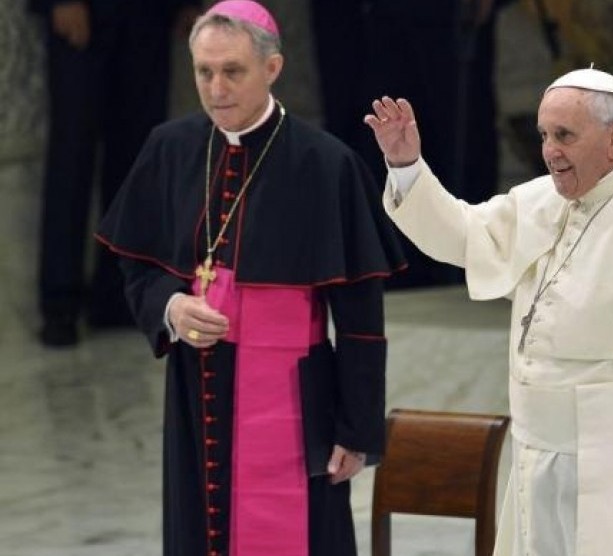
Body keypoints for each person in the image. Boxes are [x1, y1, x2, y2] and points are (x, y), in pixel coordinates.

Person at [365, 68, 613, 556]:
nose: (549, 150)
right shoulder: (540, 199)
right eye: (545, 135)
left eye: (564, 135)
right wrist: (406, 165)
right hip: (536, 453)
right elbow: (463, 234)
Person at [95, 2, 405, 555]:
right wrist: (171, 307)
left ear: (273, 68)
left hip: (297, 399)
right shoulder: (170, 148)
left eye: (232, 71)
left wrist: (356, 431)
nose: (216, 88)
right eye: (203, 72)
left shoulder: (326, 164)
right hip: (199, 390)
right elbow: (136, 263)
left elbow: (361, 321)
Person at [29, 0, 201, 347]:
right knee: (72, 154)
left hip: (147, 16)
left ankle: (118, 296)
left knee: (137, 155)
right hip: (82, 11)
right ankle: (60, 303)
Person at [311, 0, 509, 288]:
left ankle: (457, 265)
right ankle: (387, 267)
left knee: (455, 134)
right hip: (366, 23)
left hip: (444, 20)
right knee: (373, 125)